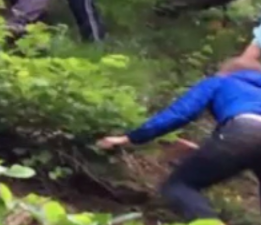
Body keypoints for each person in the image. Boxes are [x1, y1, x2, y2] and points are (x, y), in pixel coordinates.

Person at [97, 57, 261, 222]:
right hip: (245, 135)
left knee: (179, 186)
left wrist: (129, 138)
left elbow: (179, 113)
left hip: (246, 130)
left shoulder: (221, 81)